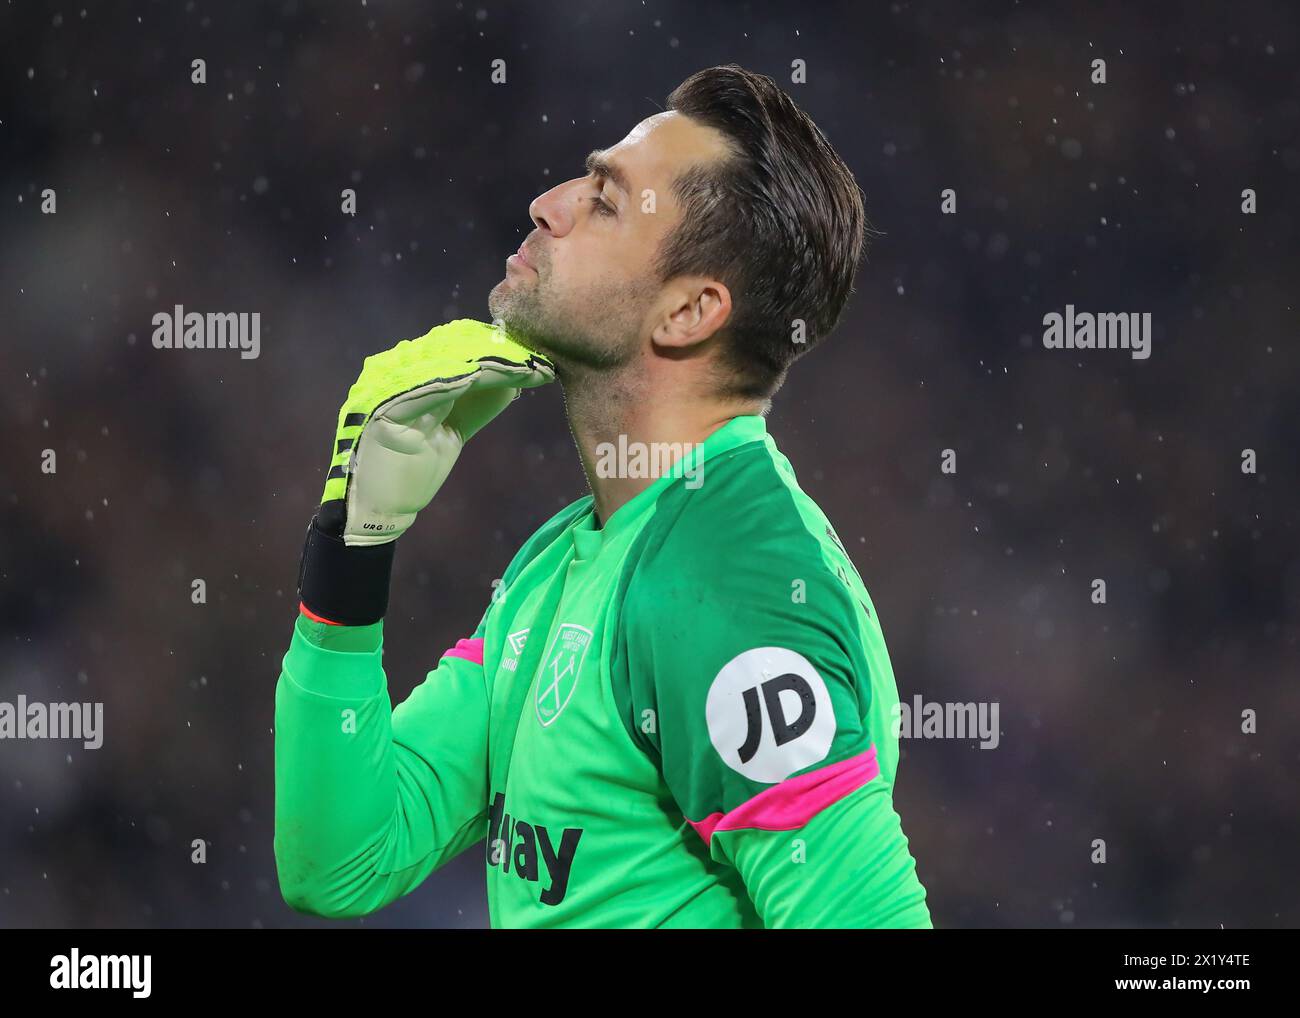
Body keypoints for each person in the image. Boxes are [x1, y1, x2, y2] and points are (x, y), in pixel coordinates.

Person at [275, 64, 931, 928]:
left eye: (606, 200)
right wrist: (353, 553)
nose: (549, 204)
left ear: (689, 312)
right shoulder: (573, 556)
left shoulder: (728, 585)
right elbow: (344, 860)